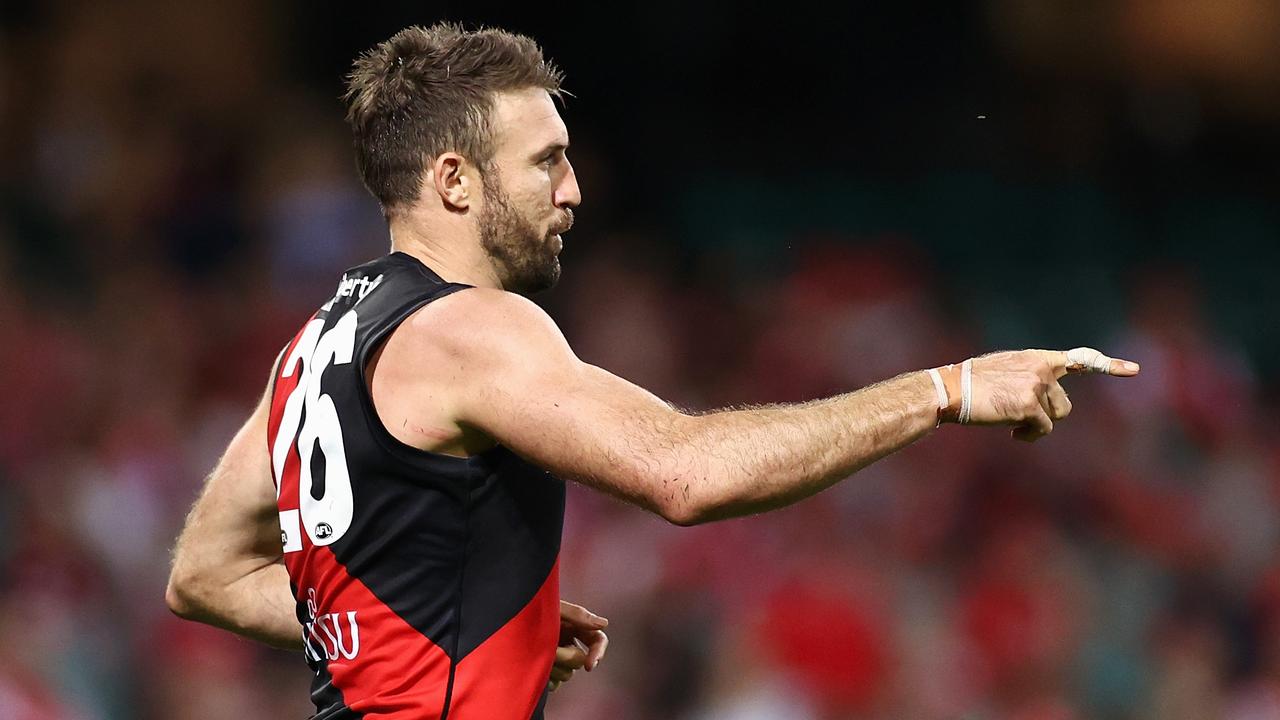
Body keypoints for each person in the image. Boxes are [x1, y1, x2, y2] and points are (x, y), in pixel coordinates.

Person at [165, 22, 1140, 720]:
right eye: (544, 161)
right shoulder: (471, 330)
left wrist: (427, 634)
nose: (573, 189)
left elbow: (203, 576)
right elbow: (684, 473)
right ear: (453, 180)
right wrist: (944, 390)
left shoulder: (316, 343)